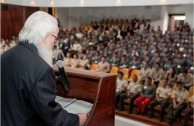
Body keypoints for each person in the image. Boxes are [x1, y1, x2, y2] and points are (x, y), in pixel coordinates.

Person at [1, 11, 87, 126]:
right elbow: (52, 117)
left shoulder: (5, 56)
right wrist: (77, 119)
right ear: (47, 37)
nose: (54, 44)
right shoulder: (41, 70)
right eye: (55, 38)